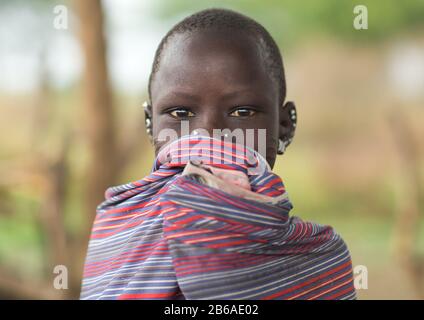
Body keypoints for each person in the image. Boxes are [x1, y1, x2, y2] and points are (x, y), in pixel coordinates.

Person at [80, 8, 356, 300]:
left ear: (284, 126)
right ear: (151, 125)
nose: (208, 135)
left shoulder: (318, 259)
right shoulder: (117, 234)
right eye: (180, 112)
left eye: (242, 111)